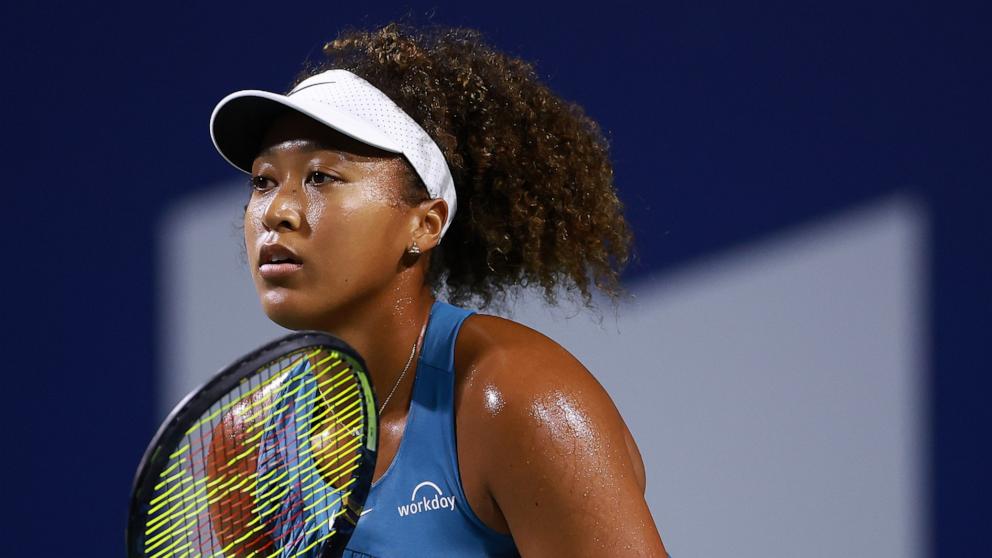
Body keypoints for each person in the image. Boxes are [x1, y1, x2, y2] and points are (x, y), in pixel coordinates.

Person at [208, 22, 669, 557]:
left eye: (321, 177)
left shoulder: (518, 402)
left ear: (424, 224)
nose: (278, 212)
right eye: (263, 182)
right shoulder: (245, 446)